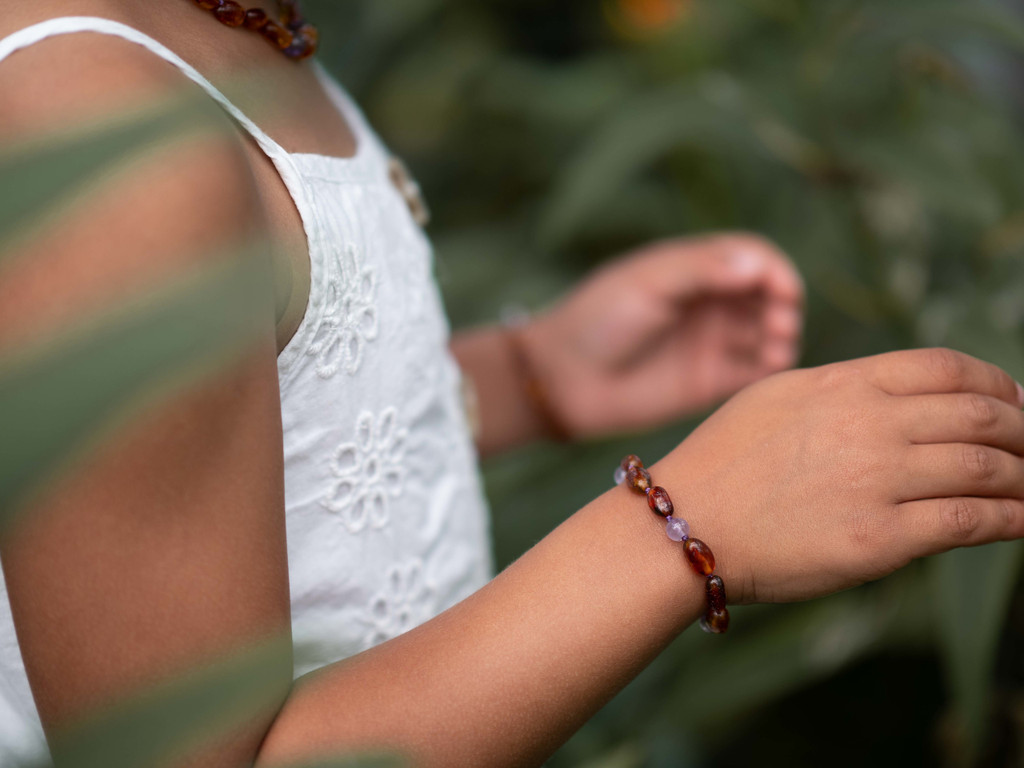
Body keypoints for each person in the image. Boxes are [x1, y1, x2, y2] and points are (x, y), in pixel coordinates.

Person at [1, 2, 1023, 766]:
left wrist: (525, 376)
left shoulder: (228, 24)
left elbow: (236, 459)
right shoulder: (100, 136)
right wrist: (691, 523)